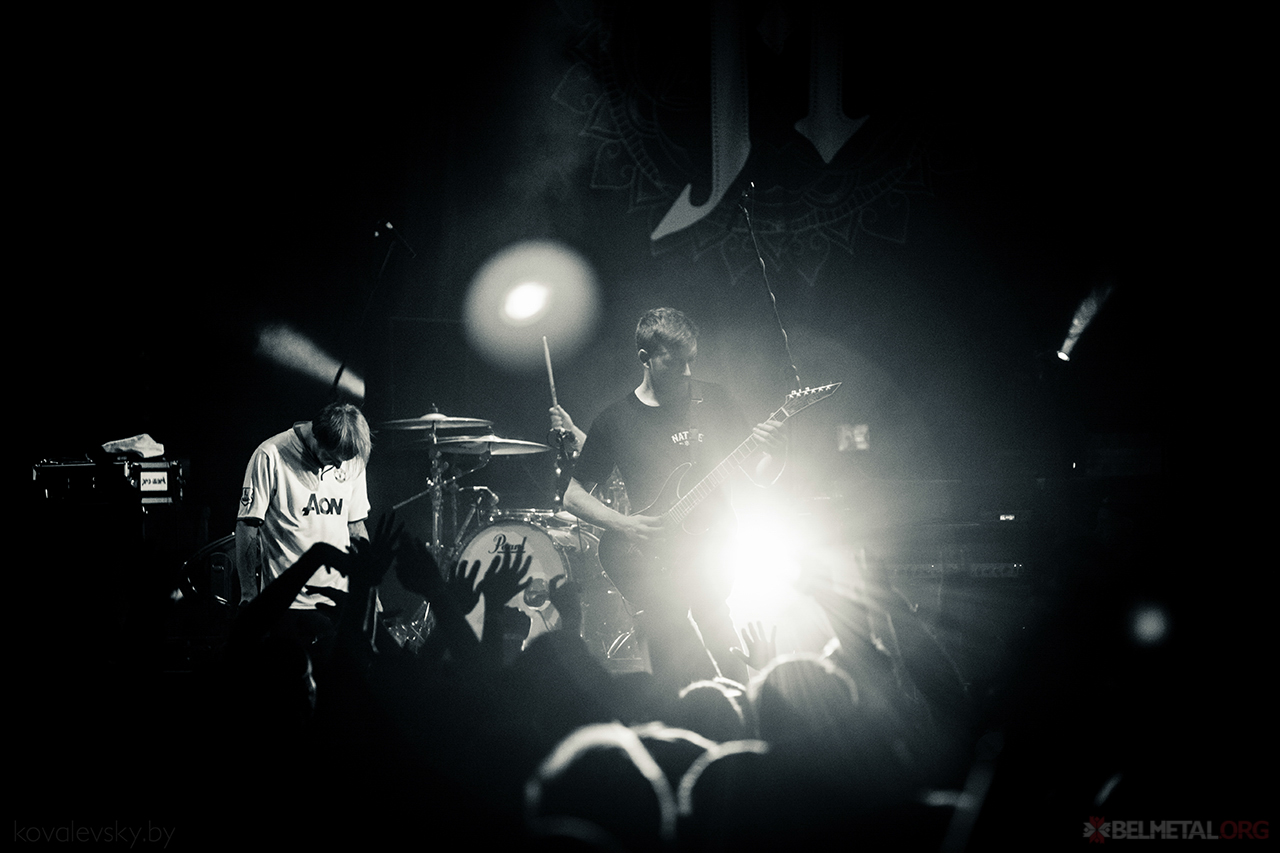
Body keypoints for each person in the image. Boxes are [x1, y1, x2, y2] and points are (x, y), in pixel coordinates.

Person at [561, 307, 786, 690]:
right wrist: (625, 524)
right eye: (674, 361)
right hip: (652, 563)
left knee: (724, 651)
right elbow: (572, 495)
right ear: (644, 358)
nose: (686, 371)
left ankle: (740, 713)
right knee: (670, 665)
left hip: (710, 556)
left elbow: (761, 477)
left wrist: (776, 452)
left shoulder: (716, 401)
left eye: (691, 360)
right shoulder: (615, 420)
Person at [236, 400, 373, 654]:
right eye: (332, 458)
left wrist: (367, 590)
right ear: (316, 437)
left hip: (337, 602)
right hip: (286, 605)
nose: (339, 466)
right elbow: (247, 527)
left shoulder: (350, 461)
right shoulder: (270, 455)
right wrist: (249, 594)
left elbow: (356, 527)